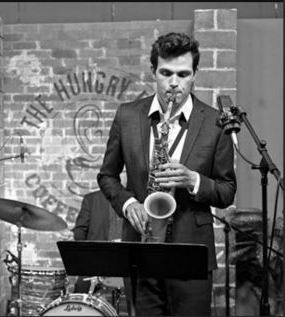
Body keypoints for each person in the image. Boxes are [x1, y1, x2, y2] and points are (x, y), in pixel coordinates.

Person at [97, 32, 237, 316]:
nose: (174, 83)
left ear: (195, 74)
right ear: (153, 72)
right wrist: (128, 204)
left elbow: (226, 191)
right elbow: (107, 176)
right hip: (141, 251)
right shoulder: (127, 115)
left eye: (183, 74)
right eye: (166, 73)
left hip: (191, 257)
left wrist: (192, 180)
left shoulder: (215, 122)